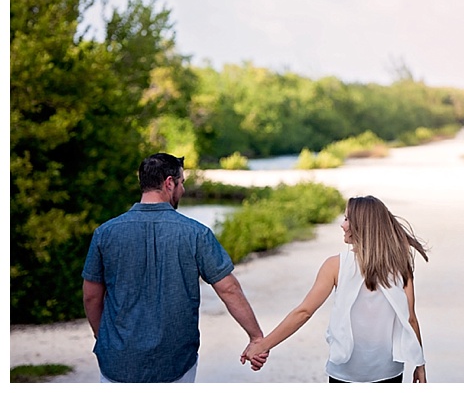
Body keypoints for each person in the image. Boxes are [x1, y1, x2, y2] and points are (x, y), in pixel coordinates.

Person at [82, 153, 267, 382]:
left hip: (118, 362)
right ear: (169, 183)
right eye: (182, 183)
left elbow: (91, 296)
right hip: (175, 362)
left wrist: (105, 339)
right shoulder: (196, 233)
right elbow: (229, 289)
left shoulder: (105, 233)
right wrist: (256, 337)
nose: (183, 191)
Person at [241, 195, 429, 383]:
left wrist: (263, 346)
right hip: (388, 372)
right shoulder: (399, 266)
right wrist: (420, 364)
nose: (342, 224)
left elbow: (304, 312)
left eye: (347, 219)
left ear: (361, 225)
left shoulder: (336, 265)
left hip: (346, 373)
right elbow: (410, 318)